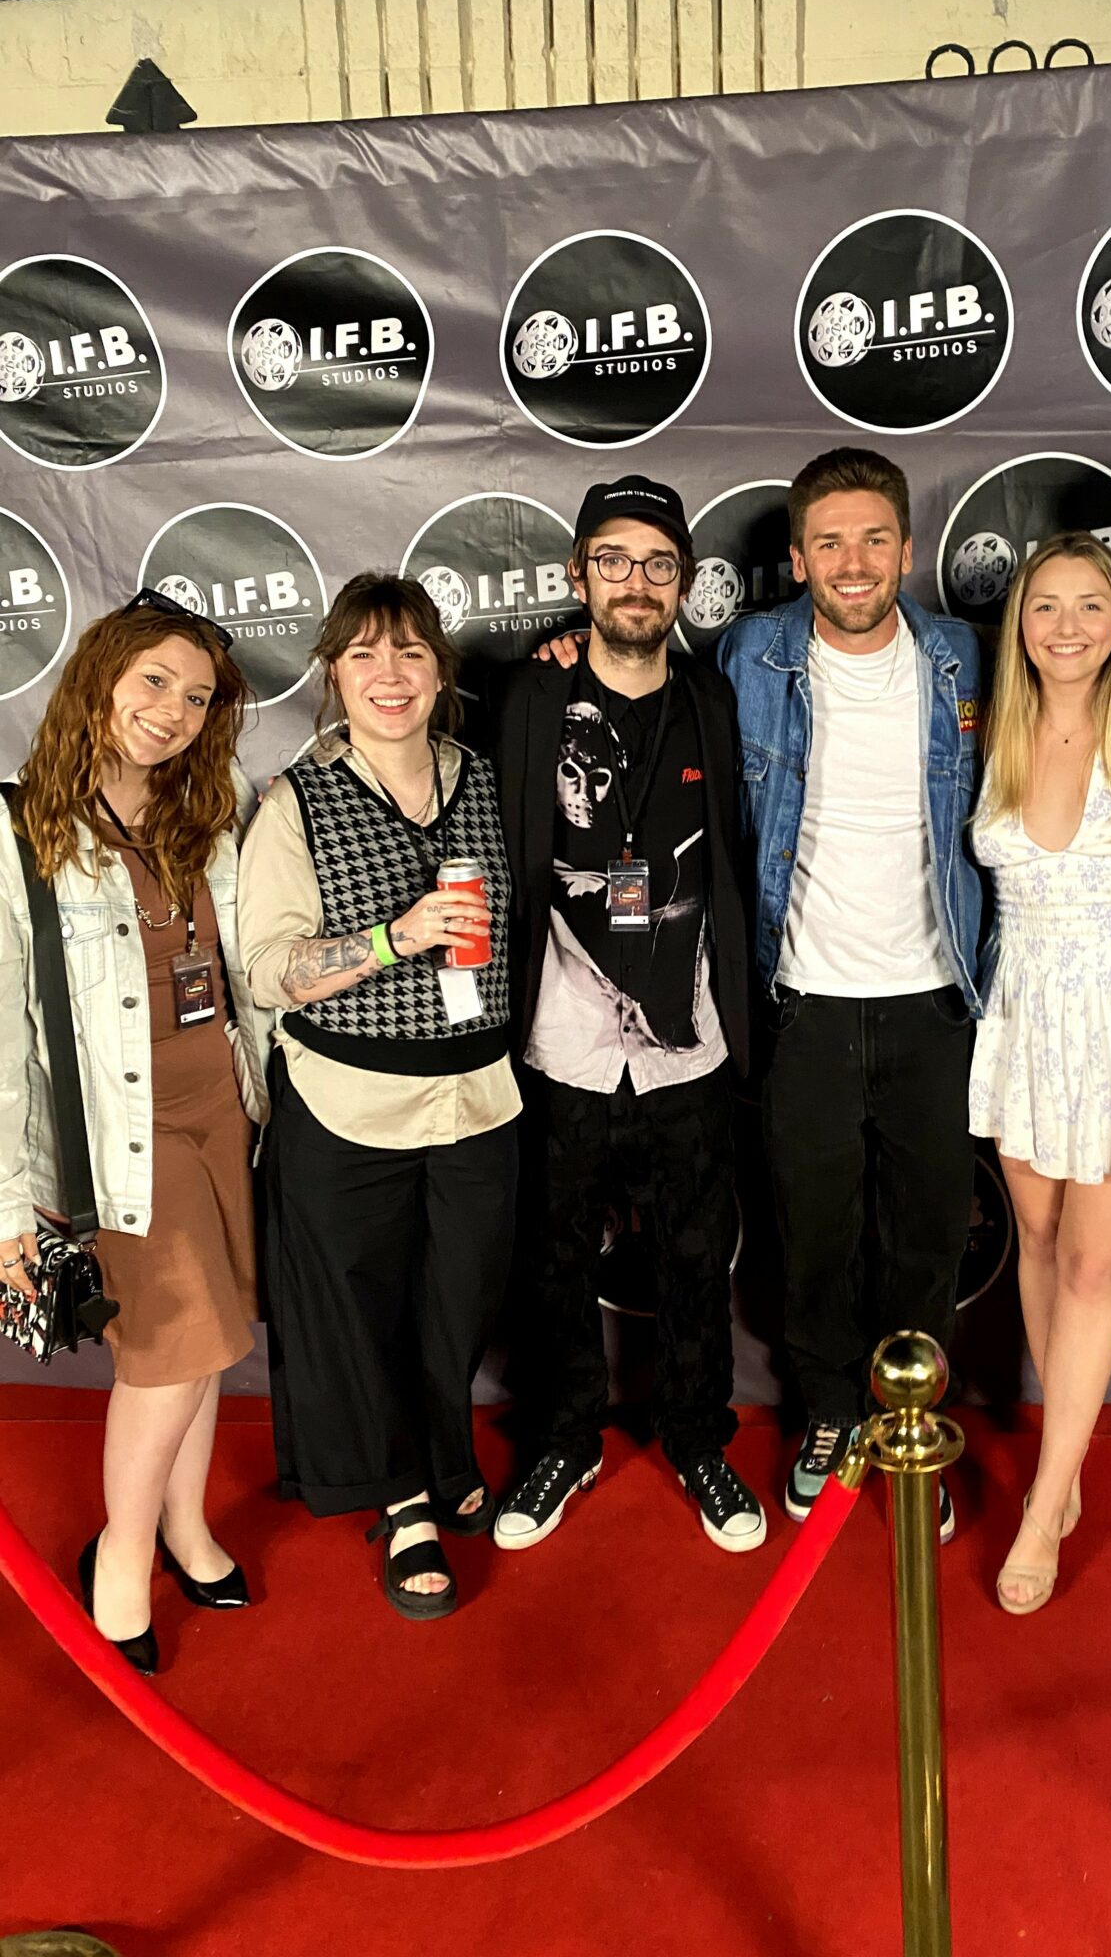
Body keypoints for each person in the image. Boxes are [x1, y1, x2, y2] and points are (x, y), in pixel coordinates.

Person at [491, 476, 762, 1553]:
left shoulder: (715, 702)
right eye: (613, 559)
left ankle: (698, 1435)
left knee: (696, 1253)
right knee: (550, 1252)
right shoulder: (529, 700)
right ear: (577, 576)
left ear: (685, 582)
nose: (636, 582)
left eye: (657, 563)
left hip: (687, 1038)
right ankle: (565, 1437)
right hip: (560, 1035)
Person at [238, 573, 517, 1621]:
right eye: (363, 654)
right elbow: (266, 970)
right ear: (333, 674)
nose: (388, 675)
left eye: (408, 652)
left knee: (457, 1303)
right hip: (348, 1098)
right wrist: (396, 938)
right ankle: (404, 1498)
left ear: (441, 669)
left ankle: (445, 1452)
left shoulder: (485, 780)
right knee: (370, 1310)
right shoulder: (295, 799)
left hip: (480, 1093)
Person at [0, 593, 270, 1675]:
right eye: (154, 680)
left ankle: (184, 1523)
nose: (172, 710)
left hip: (221, 1111)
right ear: (101, 674)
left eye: (197, 695)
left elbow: (249, 961)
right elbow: (3, 1036)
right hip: (125, 1141)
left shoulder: (212, 803)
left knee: (204, 1346)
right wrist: (10, 1204)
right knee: (167, 1356)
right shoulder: (19, 828)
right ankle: (118, 1555)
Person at [718, 448, 985, 1537]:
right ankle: (829, 1411)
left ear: (909, 548)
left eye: (875, 537)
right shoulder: (750, 653)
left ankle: (905, 1416)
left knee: (927, 1237)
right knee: (814, 1234)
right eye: (829, 541)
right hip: (804, 1001)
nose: (854, 560)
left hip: (935, 998)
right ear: (796, 558)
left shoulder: (964, 657)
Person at [968, 533, 1111, 1613]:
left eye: (1090, 605)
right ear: (1019, 623)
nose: (1066, 626)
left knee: (1095, 1268)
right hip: (1025, 1025)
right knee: (1043, 1243)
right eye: (1045, 605)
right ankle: (1056, 1476)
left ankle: (1046, 1503)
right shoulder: (995, 731)